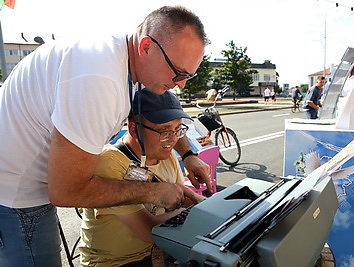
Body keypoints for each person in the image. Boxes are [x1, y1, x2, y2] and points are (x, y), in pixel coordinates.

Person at [0, 6, 210, 266]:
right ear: (146, 47)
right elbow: (67, 190)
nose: (181, 84)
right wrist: (153, 192)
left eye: (189, 75)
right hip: (15, 196)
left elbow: (167, 118)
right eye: (178, 73)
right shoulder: (99, 81)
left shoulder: (128, 60)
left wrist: (187, 153)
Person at [79, 88, 205, 267]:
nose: (172, 139)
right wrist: (189, 213)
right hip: (117, 262)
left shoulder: (166, 155)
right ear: (134, 129)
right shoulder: (110, 162)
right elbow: (148, 230)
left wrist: (209, 206)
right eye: (164, 131)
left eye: (178, 130)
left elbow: (180, 200)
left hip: (159, 251)